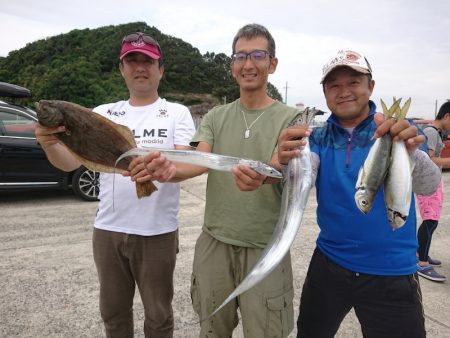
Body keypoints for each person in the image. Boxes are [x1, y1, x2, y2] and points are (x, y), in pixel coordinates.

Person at [130, 23, 299, 337]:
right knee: (211, 329)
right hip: (214, 244)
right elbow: (197, 157)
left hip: (265, 245)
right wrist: (168, 170)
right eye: (240, 56)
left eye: (258, 55)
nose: (248, 64)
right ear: (232, 66)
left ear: (272, 63)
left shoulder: (290, 118)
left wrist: (264, 178)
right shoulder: (214, 117)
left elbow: (282, 163)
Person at [35, 32, 196, 337]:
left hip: (157, 231)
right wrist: (48, 143)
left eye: (147, 60)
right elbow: (70, 163)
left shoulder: (178, 113)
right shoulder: (102, 113)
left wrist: (165, 169)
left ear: (161, 69)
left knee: (159, 314)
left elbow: (186, 161)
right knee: (113, 312)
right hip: (108, 230)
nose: (140, 67)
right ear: (121, 69)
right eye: (132, 61)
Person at [277, 50, 441, 337]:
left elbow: (429, 186)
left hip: (392, 271)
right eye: (334, 85)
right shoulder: (316, 139)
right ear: (325, 93)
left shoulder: (399, 130)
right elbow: (301, 180)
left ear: (371, 86)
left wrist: (412, 154)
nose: (344, 92)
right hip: (329, 263)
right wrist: (281, 163)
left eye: (353, 82)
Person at [415, 101, 450, 282]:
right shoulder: (430, 132)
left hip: (435, 182)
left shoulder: (437, 133)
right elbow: (428, 160)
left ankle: (422, 254)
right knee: (429, 221)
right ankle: (421, 263)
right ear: (446, 116)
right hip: (428, 184)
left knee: (433, 222)